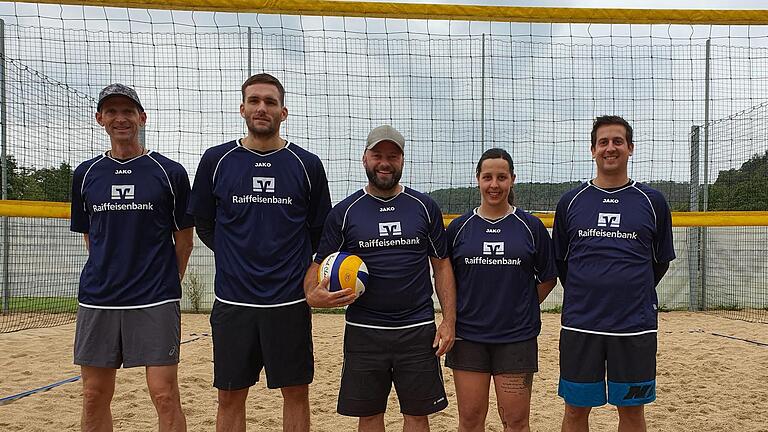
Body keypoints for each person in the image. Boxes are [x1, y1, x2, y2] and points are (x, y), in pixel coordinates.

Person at [188, 73, 331, 432]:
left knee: (296, 393)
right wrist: (235, 254)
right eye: (254, 101)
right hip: (234, 301)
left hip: (287, 301)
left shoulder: (306, 164)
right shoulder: (217, 159)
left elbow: (320, 233)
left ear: (284, 112)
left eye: (270, 102)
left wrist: (307, 274)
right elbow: (204, 222)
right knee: (230, 397)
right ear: (242, 108)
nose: (261, 108)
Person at [305, 125, 457, 432]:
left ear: (402, 160)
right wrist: (312, 294)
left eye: (393, 155)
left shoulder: (424, 207)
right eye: (378, 155)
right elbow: (319, 265)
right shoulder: (344, 212)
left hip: (417, 329)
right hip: (364, 330)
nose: (385, 162)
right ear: (364, 159)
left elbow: (441, 266)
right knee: (370, 415)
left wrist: (448, 321)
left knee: (416, 415)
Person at [70, 83, 194, 432]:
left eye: (127, 111)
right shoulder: (86, 174)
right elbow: (91, 237)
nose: (120, 118)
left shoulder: (169, 173)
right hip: (100, 298)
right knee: (94, 394)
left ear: (142, 117)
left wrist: (166, 281)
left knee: (164, 394)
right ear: (100, 119)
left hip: (154, 297)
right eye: (112, 112)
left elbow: (184, 241)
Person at [552, 116, 676, 432]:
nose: (611, 148)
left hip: (633, 326)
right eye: (604, 142)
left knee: (632, 413)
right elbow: (563, 262)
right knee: (576, 411)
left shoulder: (653, 201)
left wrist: (630, 288)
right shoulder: (571, 202)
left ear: (630, 148)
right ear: (592, 149)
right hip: (582, 323)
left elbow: (659, 262)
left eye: (618, 141)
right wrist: (590, 288)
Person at [445, 148, 557, 432]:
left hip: (516, 337)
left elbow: (547, 278)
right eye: (488, 177)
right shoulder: (459, 228)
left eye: (501, 177)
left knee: (516, 421)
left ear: (512, 180)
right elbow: (445, 279)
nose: (494, 184)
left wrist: (521, 306)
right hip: (469, 336)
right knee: (470, 419)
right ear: (478, 180)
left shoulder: (530, 227)